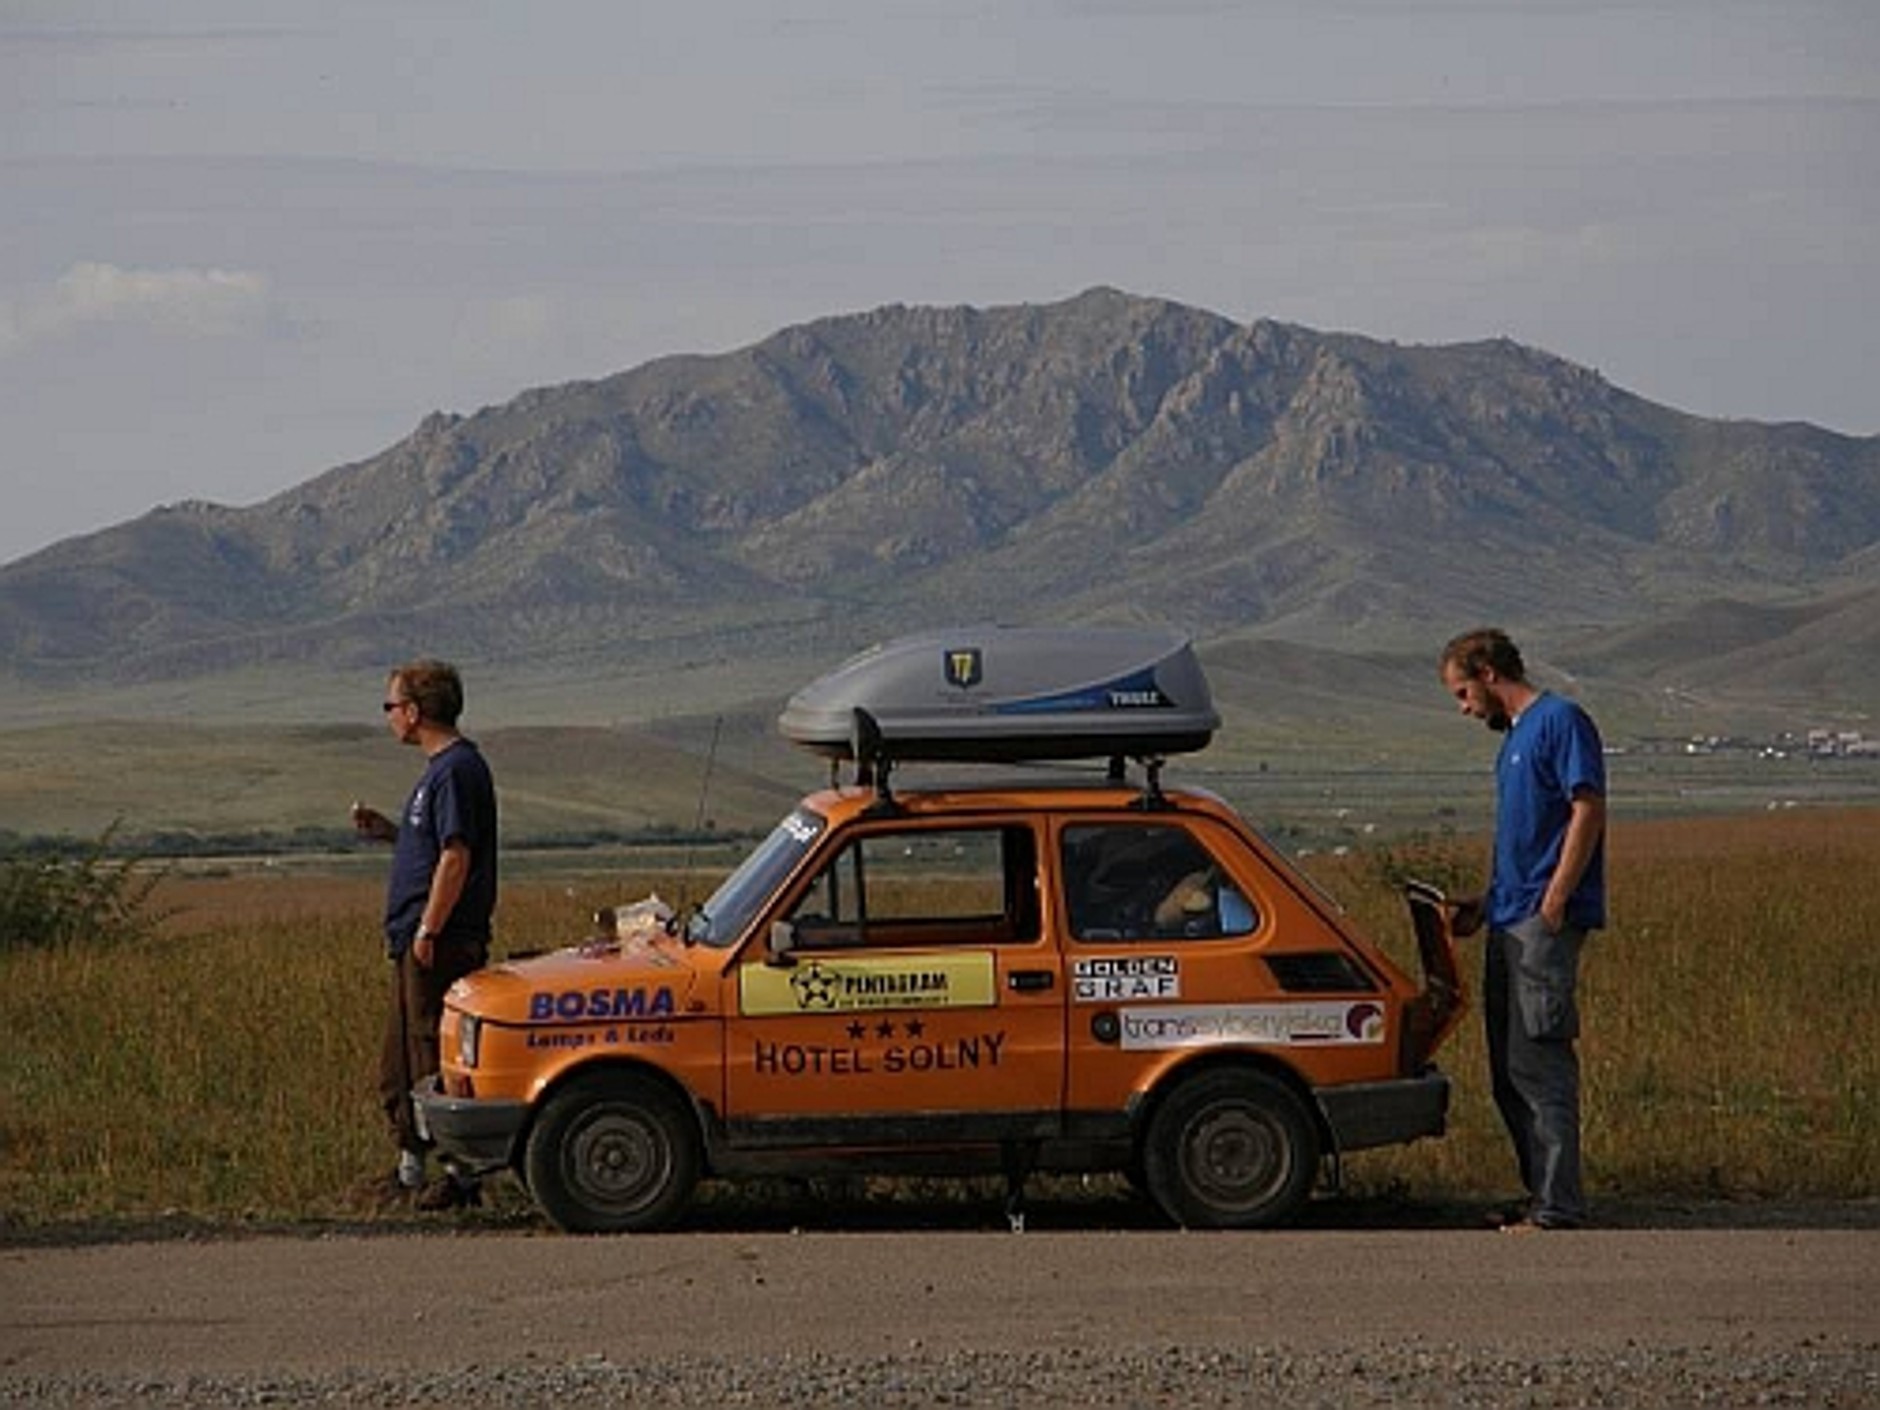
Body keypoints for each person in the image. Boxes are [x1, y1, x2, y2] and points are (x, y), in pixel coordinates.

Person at [1438, 628, 1606, 1233]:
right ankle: (1540, 1192)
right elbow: (1526, 837)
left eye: (1462, 693)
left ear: (1487, 672)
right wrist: (1486, 903)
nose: (1464, 708)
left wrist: (1556, 897)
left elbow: (1586, 806)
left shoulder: (1560, 721)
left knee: (1539, 1063)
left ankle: (1560, 1206)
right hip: (1508, 917)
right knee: (1509, 1066)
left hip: (1541, 921)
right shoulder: (1513, 739)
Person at [351, 659, 498, 1212]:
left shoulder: (457, 769)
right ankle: (410, 1168)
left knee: (430, 1051)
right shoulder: (439, 772)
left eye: (390, 705)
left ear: (414, 711)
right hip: (417, 937)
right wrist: (393, 834)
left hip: (438, 938)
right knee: (400, 1061)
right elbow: (437, 848)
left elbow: (456, 858)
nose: (388, 716)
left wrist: (430, 928)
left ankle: (460, 1174)